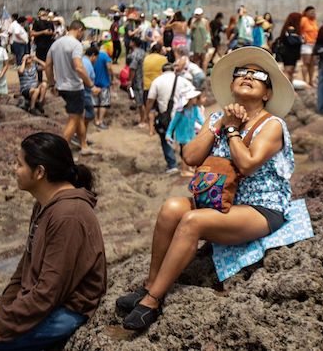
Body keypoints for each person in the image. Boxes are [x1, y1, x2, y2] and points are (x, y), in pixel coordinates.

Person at [118, 46, 294, 330]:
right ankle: (151, 282)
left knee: (192, 221)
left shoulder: (272, 125)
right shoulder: (216, 118)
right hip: (220, 200)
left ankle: (151, 300)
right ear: (232, 84)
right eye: (241, 73)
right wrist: (223, 123)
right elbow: (190, 157)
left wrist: (234, 130)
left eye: (257, 75)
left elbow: (247, 164)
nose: (248, 76)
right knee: (171, 208)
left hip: (261, 207)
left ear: (267, 93)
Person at [0, 132, 106, 351]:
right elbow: (25, 267)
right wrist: (0, 308)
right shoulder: (45, 204)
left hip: (66, 311)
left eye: (19, 164)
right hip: (42, 304)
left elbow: (48, 293)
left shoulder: (68, 215)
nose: (15, 170)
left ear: (39, 172)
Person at [45, 20, 98, 155]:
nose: (82, 35)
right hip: (74, 87)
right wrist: (91, 85)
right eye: (83, 32)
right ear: (79, 29)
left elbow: (48, 66)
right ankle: (59, 153)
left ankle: (84, 145)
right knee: (73, 119)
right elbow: (79, 67)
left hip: (61, 86)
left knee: (80, 115)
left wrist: (52, 84)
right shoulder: (76, 44)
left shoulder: (55, 44)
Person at [146, 62, 194, 174]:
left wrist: (147, 112)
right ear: (173, 70)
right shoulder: (183, 81)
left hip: (165, 115)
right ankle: (185, 164)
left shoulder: (157, 81)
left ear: (162, 71)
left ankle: (172, 165)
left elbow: (150, 99)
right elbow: (193, 94)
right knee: (184, 139)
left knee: (165, 138)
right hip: (182, 114)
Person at [165, 89, 204, 177]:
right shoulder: (181, 111)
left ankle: (189, 167)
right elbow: (173, 123)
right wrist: (168, 133)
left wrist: (207, 125)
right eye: (193, 98)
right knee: (185, 152)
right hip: (182, 135)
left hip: (191, 134)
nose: (195, 99)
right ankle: (184, 170)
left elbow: (201, 120)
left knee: (191, 151)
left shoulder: (195, 109)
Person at [92, 40, 113, 129]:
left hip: (92, 83)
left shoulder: (90, 56)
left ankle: (96, 120)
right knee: (103, 103)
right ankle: (100, 121)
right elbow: (109, 67)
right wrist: (111, 76)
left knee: (95, 103)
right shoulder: (104, 55)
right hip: (104, 83)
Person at [277, 12, 303, 83]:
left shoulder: (289, 29)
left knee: (290, 71)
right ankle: (287, 89)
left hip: (292, 53)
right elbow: (292, 41)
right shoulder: (291, 29)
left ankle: (290, 88)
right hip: (289, 53)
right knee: (288, 70)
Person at [31, 8, 55, 81]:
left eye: (45, 14)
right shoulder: (37, 23)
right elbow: (32, 33)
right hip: (40, 46)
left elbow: (53, 33)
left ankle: (50, 79)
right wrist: (43, 32)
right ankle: (40, 80)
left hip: (48, 45)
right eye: (43, 14)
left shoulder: (50, 23)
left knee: (50, 63)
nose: (44, 16)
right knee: (39, 62)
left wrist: (50, 33)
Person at [127, 37, 146, 126]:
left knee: (139, 101)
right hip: (144, 79)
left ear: (133, 43)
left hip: (137, 80)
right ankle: (143, 118)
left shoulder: (134, 54)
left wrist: (129, 81)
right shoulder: (143, 52)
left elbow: (132, 68)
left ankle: (142, 120)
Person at [299, 6, 318, 87]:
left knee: (312, 64)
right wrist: (302, 38)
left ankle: (311, 81)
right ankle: (304, 81)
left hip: (314, 44)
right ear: (306, 12)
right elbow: (299, 30)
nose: (313, 13)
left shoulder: (314, 21)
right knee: (306, 63)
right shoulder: (304, 20)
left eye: (314, 12)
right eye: (311, 12)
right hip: (306, 44)